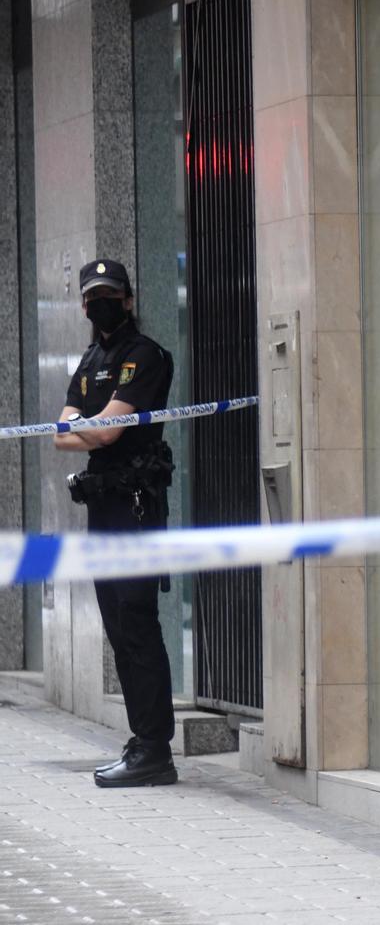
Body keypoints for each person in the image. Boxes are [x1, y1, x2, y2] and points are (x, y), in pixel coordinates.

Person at [55, 259, 179, 789]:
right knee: (117, 627)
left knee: (137, 622)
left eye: (110, 294)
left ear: (128, 299)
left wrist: (86, 426)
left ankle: (155, 749)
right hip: (102, 509)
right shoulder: (90, 361)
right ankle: (142, 740)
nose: (101, 303)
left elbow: (106, 432)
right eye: (93, 296)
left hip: (136, 507)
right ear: (84, 305)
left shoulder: (144, 356)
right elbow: (60, 435)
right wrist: (90, 426)